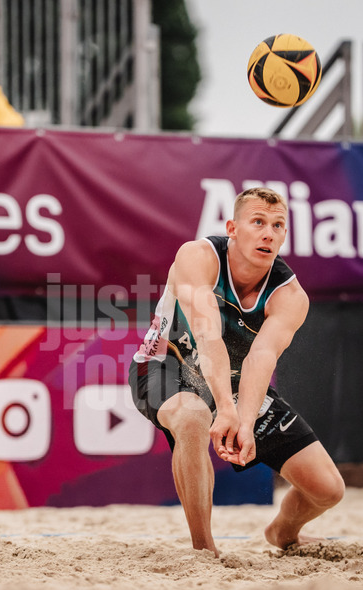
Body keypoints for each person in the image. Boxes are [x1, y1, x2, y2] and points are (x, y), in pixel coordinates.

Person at [128, 187, 345, 557]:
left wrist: (244, 420)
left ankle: (283, 531)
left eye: (278, 225)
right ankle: (204, 549)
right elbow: (208, 335)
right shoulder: (197, 257)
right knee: (194, 417)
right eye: (258, 222)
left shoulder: (290, 296)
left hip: (232, 379)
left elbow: (260, 359)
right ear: (232, 228)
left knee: (328, 489)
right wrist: (226, 409)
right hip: (166, 364)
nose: (268, 233)